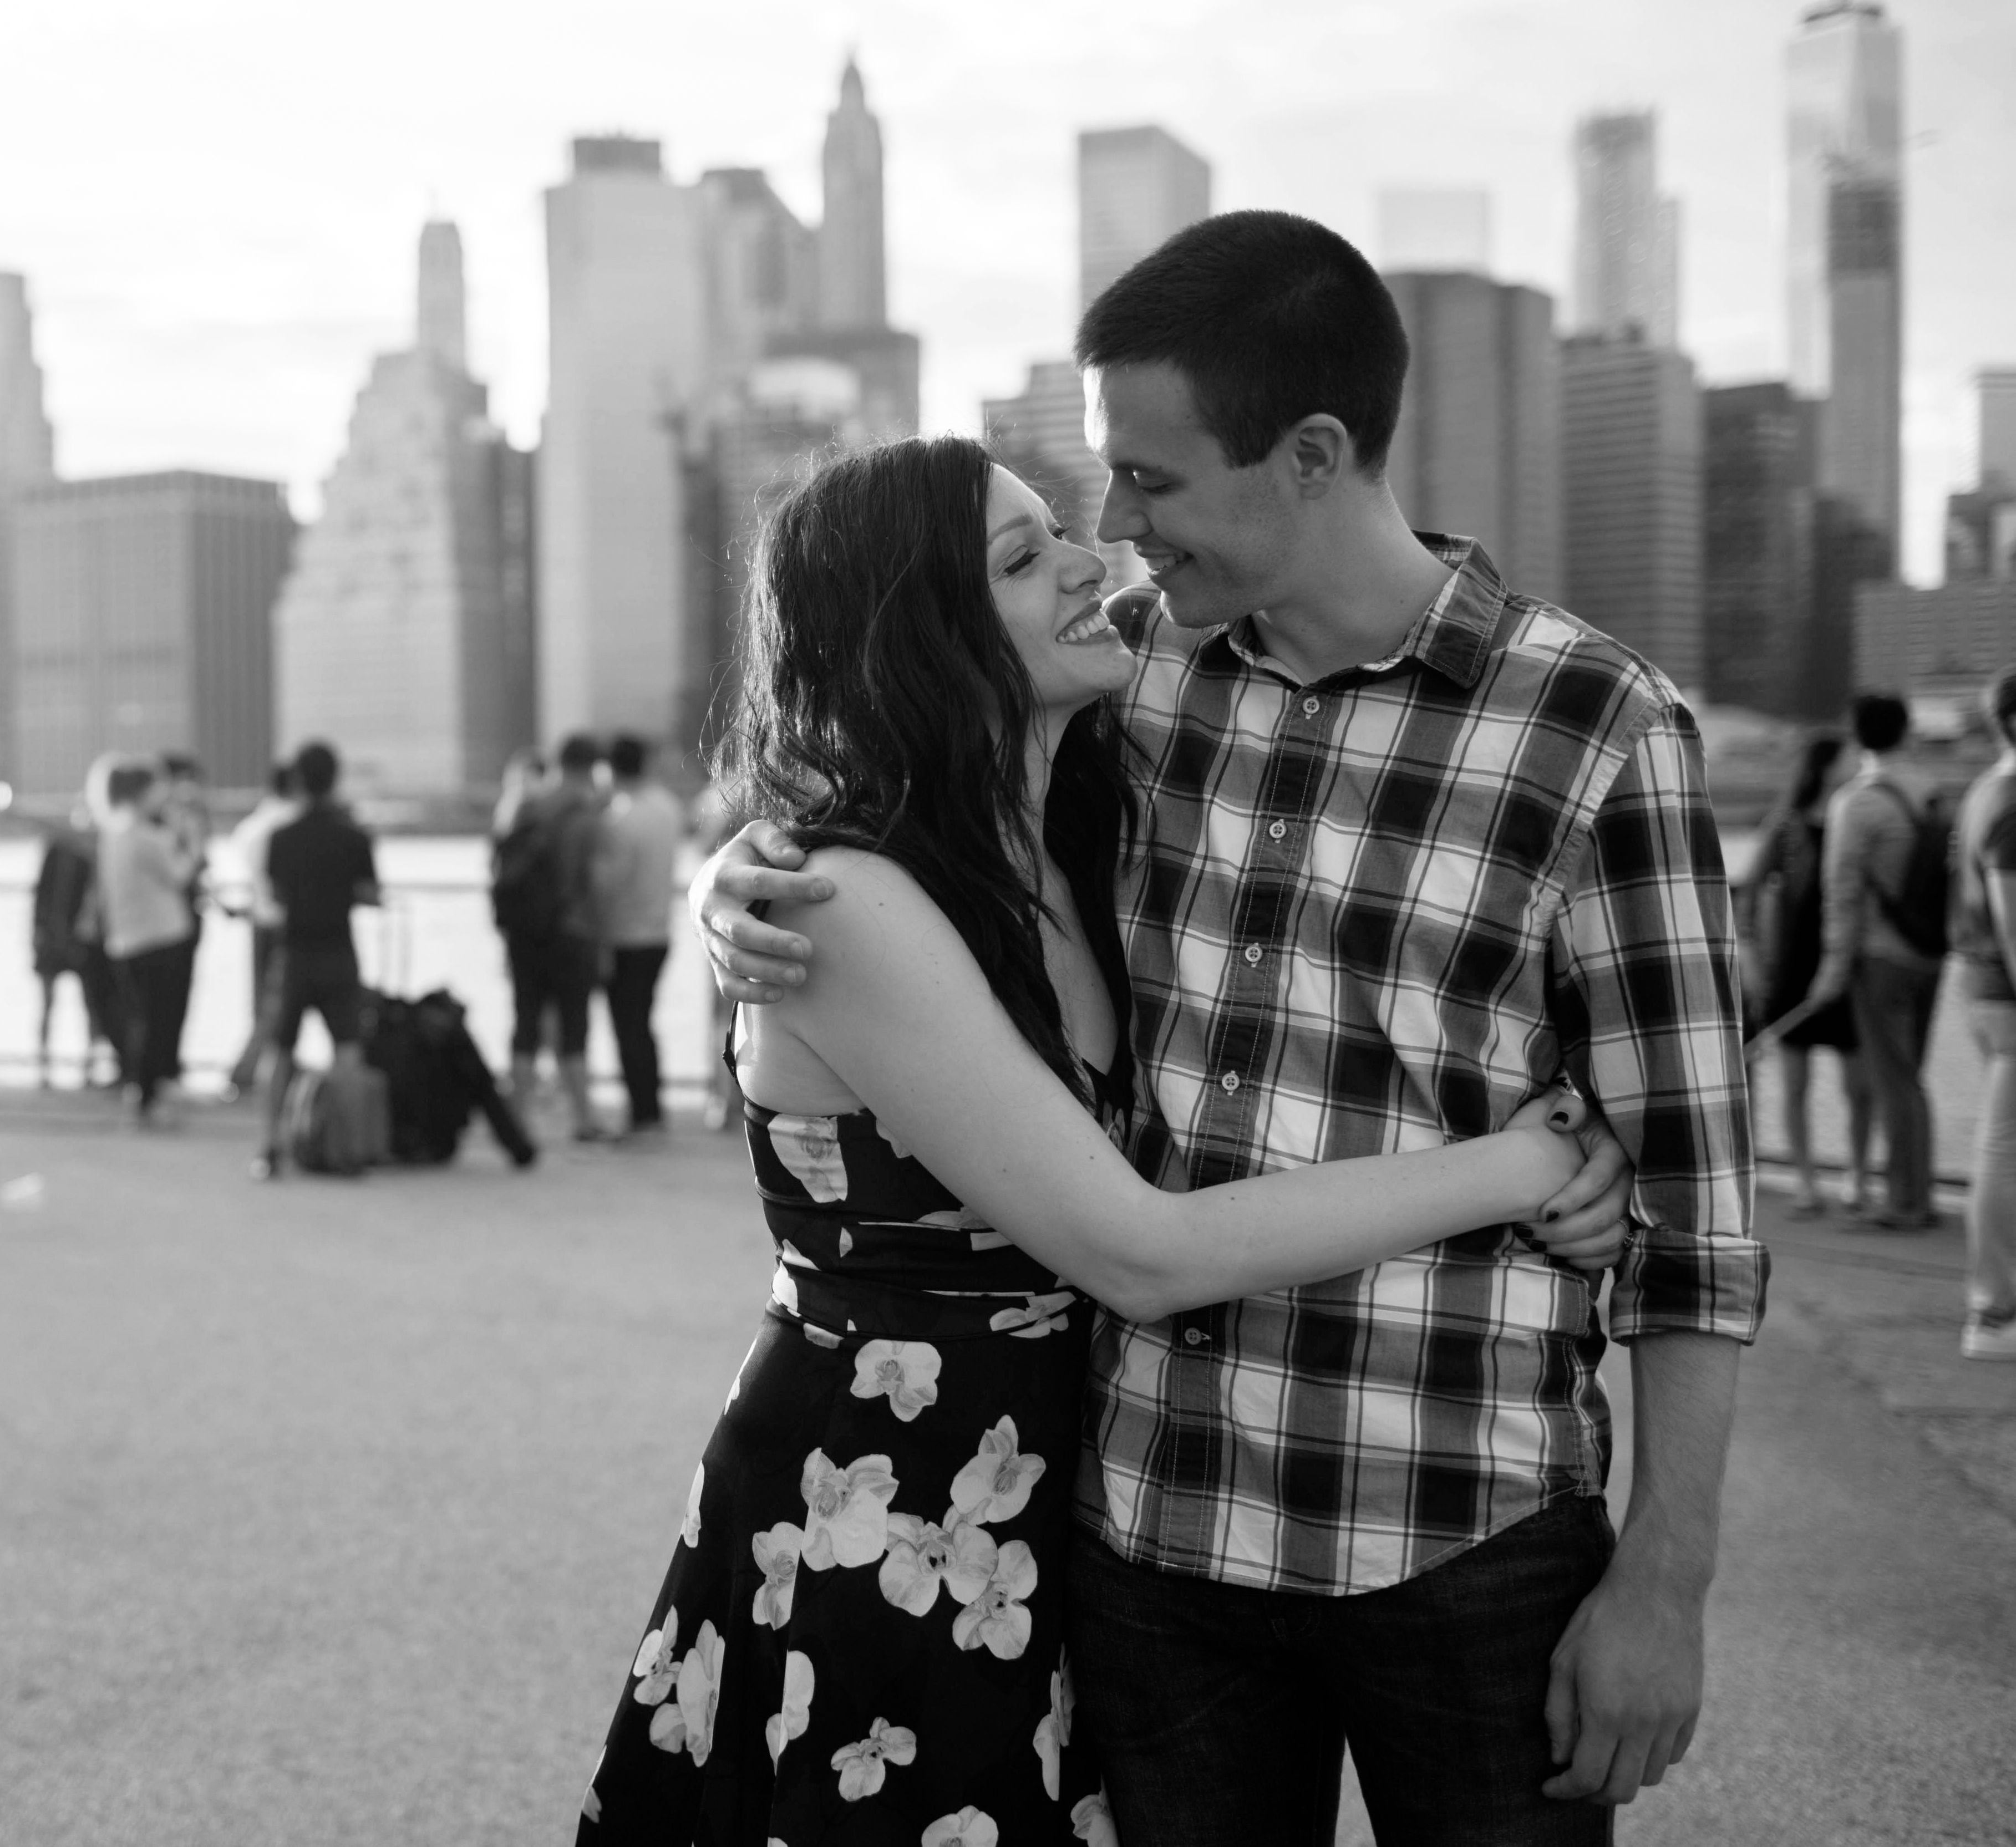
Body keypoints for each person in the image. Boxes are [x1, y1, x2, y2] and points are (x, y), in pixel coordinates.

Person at [694, 212, 1752, 1841]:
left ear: (1312, 454)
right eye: (1088, 498)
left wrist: (1663, 1585)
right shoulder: (1151, 689)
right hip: (1147, 1535)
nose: (1116, 538)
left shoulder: (1599, 728)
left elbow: (1700, 1217)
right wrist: (739, 872)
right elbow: (888, 759)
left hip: (1460, 1528)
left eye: (1149, 483)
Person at [584, 436, 1628, 1845]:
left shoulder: (1073, 832)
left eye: (1063, 530)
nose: (1097, 561)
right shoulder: (842, 902)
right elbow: (1143, 1250)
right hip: (882, 1512)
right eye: (1024, 557)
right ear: (923, 640)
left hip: (1052, 1497)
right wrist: (1517, 1164)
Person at [1808, 691, 1943, 1234]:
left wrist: (1831, 973)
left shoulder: (1856, 801)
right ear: (1907, 730)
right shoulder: (1930, 792)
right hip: (1930, 954)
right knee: (1912, 1080)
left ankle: (1905, 1204)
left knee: (1894, 1082)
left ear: (1856, 735)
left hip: (1879, 957)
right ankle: (1919, 1193)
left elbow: (1840, 893)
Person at [1740, 735, 1874, 1215]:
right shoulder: (1788, 824)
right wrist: (1750, 954)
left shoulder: (1856, 815)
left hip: (1847, 965)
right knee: (1795, 1084)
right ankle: (1805, 1180)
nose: (1858, 762)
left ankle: (1857, 1174)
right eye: (1849, 757)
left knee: (1859, 1086)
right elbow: (1747, 892)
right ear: (1825, 767)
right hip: (1793, 966)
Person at [253, 740, 379, 1179]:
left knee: (280, 1050)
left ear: (299, 780)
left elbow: (274, 894)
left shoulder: (280, 838)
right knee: (348, 1053)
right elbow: (370, 892)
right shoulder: (354, 836)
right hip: (340, 951)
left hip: (295, 953)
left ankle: (270, 1147)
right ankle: (349, 1151)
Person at [494, 733, 609, 1141]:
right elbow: (594, 884)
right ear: (592, 766)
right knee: (574, 1027)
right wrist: (604, 941)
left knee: (525, 1022)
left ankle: (518, 1121)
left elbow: (500, 868)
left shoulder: (524, 805)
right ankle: (583, 1120)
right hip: (571, 932)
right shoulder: (587, 815)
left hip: (524, 934)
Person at [1949, 668, 2016, 1362]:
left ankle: (1995, 1306)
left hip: (1981, 986)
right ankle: (1992, 1312)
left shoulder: (1985, 790)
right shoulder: (2011, 802)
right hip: (2006, 995)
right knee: (2001, 1150)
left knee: (2004, 1148)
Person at [99, 756, 207, 1128]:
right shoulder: (145, 835)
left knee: (142, 1022)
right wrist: (192, 842)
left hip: (127, 940)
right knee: (160, 1023)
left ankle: (144, 1094)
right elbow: (179, 874)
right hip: (159, 939)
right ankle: (150, 1096)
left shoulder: (114, 830)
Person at [595, 733, 684, 1139]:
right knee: (643, 1024)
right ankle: (651, 1108)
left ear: (610, 768)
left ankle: (643, 1114)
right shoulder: (667, 807)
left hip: (625, 936)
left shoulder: (620, 819)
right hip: (661, 930)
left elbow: (610, 887)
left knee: (627, 1027)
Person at [220, 761, 297, 1097]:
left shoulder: (251, 827)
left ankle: (268, 1073)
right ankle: (246, 1072)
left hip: (259, 925)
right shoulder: (291, 824)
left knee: (265, 1005)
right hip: (289, 927)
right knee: (280, 1005)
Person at [30, 805, 111, 1089]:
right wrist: (40, 934)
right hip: (55, 939)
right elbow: (40, 895)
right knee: (49, 1004)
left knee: (91, 1006)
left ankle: (89, 1068)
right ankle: (44, 1068)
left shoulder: (97, 853)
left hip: (82, 940)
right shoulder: (59, 850)